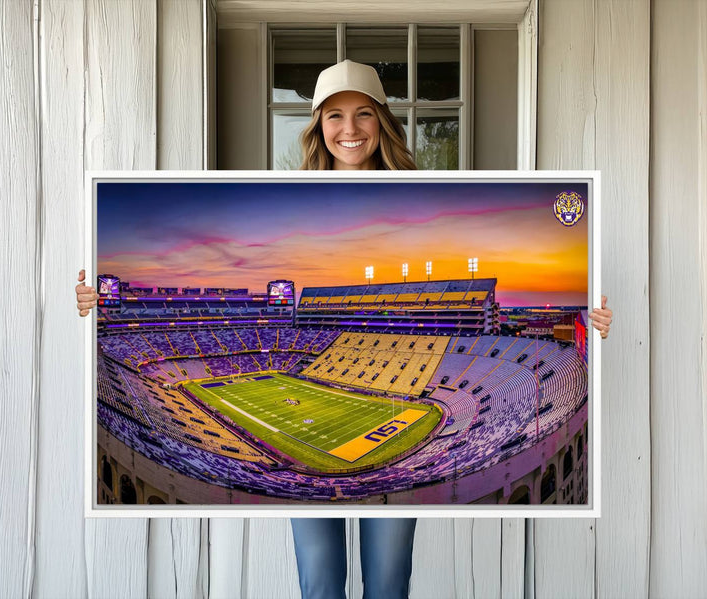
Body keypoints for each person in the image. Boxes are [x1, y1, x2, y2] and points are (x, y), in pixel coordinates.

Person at [74, 60, 614, 599]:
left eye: (362, 114)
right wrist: (92, 304)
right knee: (319, 579)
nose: (349, 129)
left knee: (387, 579)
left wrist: (589, 317)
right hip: (342, 354)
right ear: (317, 126)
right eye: (334, 115)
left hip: (407, 362)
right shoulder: (288, 198)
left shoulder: (423, 195)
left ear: (382, 121)